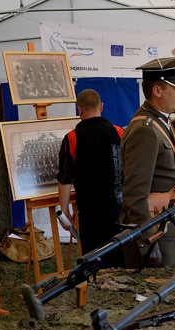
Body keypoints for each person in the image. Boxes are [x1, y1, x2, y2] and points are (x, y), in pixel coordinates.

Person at [121, 56, 175, 268]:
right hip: (158, 232)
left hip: (172, 223)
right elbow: (135, 195)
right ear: (157, 91)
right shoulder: (145, 130)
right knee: (162, 295)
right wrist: (147, 242)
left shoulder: (161, 123)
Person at [57, 89, 125, 267]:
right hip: (119, 207)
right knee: (119, 256)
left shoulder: (72, 138)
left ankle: (94, 288)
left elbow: (65, 179)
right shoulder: (119, 133)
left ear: (79, 109)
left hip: (89, 211)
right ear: (101, 106)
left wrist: (64, 212)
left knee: (93, 259)